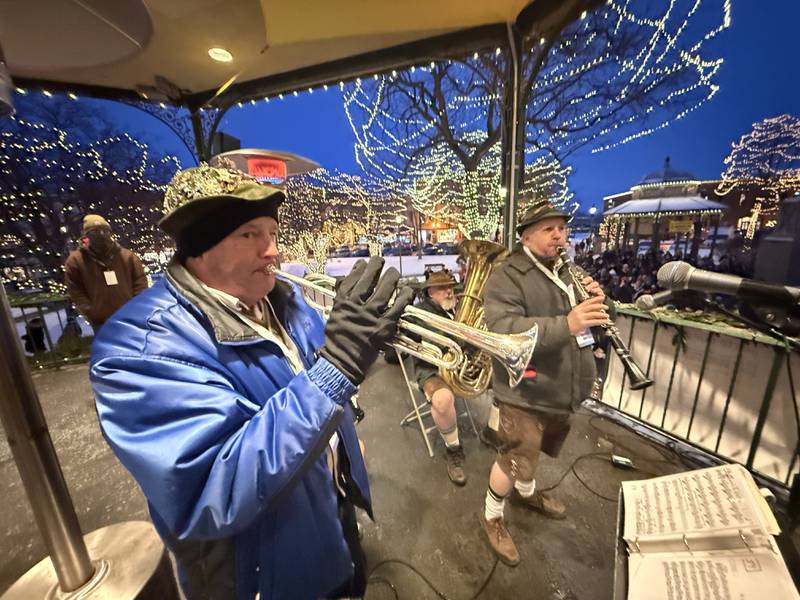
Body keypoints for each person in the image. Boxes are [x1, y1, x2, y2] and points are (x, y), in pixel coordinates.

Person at [89, 165, 413, 600]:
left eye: (273, 234)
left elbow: (320, 377)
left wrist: (367, 346)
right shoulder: (135, 349)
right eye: (250, 235)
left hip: (329, 518)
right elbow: (211, 489)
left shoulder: (286, 301)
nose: (274, 252)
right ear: (199, 248)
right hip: (260, 575)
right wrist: (340, 363)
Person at [478, 200, 608, 566]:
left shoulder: (566, 270)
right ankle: (491, 516)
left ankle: (527, 493)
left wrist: (599, 300)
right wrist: (566, 324)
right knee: (514, 458)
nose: (560, 236)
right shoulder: (507, 275)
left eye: (563, 229)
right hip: (525, 391)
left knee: (533, 457)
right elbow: (502, 330)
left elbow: (585, 317)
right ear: (527, 235)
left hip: (559, 389)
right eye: (549, 229)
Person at [412, 270, 467, 485]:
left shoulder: (461, 307)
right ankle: (453, 449)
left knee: (504, 378)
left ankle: (493, 431)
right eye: (442, 288)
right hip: (433, 369)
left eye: (450, 286)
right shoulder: (419, 313)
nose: (449, 291)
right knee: (442, 401)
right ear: (429, 292)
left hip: (464, 365)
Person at [64, 214, 147, 330]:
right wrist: (92, 312)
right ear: (86, 236)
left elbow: (140, 282)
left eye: (104, 231)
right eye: (95, 232)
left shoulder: (127, 257)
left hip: (130, 318)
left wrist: (136, 307)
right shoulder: (76, 261)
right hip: (101, 323)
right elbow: (75, 290)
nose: (101, 235)